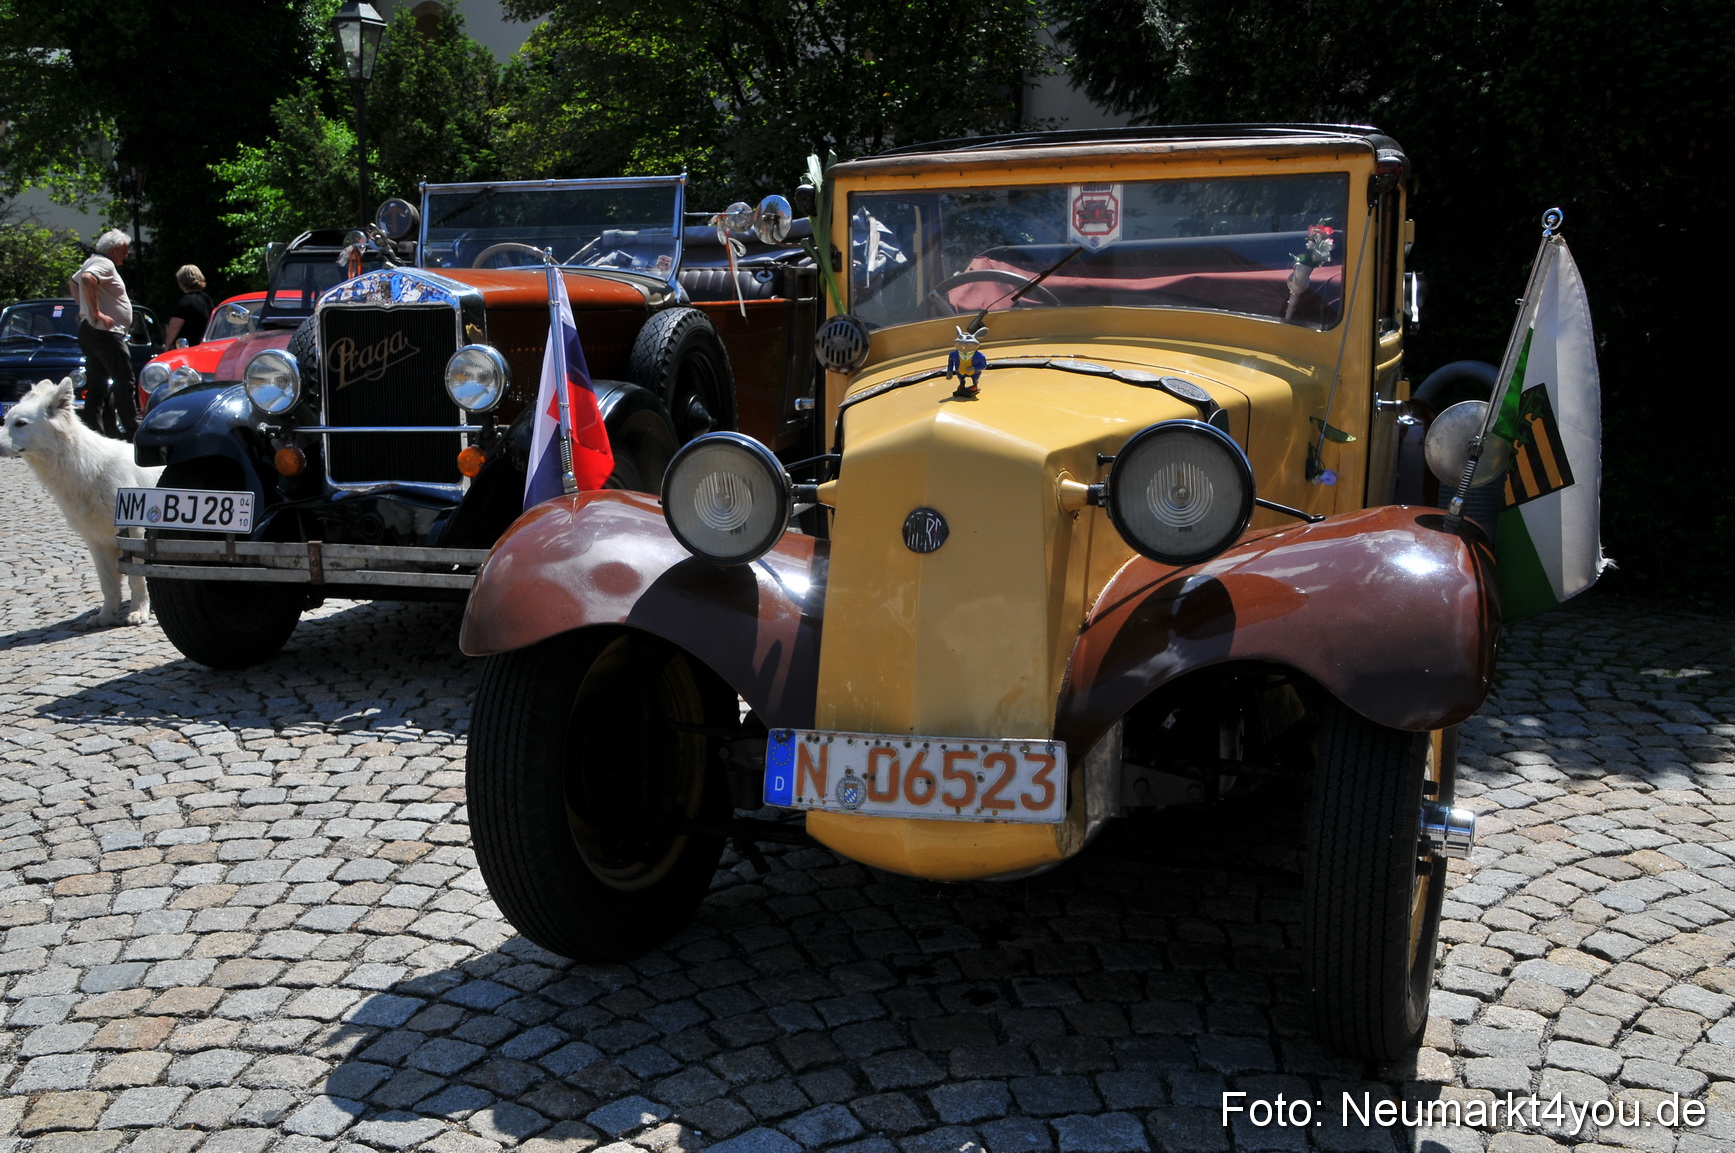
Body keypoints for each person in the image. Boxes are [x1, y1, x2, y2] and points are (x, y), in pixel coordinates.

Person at [74, 229, 139, 439]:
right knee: (124, 379)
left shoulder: (91, 261)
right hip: (106, 333)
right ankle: (131, 428)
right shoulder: (104, 263)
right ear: (113, 249)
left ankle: (95, 430)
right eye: (124, 251)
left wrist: (84, 309)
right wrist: (95, 312)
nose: (126, 255)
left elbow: (73, 282)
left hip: (91, 331)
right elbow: (86, 279)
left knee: (98, 383)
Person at [164, 265, 214, 347]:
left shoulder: (185, 301)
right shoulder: (207, 299)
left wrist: (167, 345)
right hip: (204, 345)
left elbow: (175, 326)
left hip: (187, 346)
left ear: (182, 282)